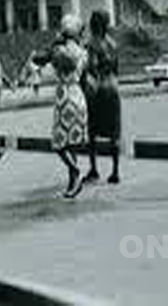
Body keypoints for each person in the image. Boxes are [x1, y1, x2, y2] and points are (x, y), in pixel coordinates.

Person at [33, 14, 89, 199]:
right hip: (79, 96)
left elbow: (40, 60)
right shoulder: (83, 51)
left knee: (58, 145)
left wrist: (53, 44)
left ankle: (76, 171)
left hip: (65, 97)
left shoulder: (60, 50)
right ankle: (73, 182)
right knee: (71, 144)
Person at [82, 10, 121, 185]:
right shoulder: (113, 43)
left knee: (92, 131)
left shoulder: (92, 44)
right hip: (114, 88)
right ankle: (115, 171)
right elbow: (116, 69)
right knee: (114, 131)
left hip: (99, 90)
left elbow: (91, 66)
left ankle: (94, 169)